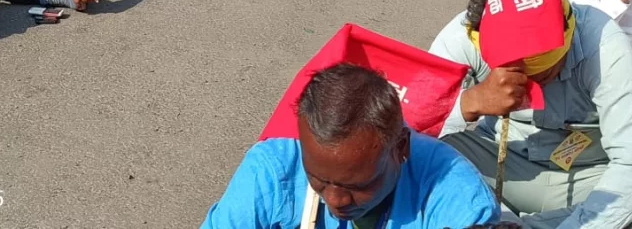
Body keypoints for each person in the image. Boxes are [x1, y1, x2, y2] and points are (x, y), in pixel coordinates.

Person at [430, 0, 632, 229]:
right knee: (428, 160)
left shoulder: (602, 42)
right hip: (501, 161)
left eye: (537, 68)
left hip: (589, 176)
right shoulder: (466, 33)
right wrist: (469, 103)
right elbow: (412, 129)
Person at [201, 63, 500, 229]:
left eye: (359, 184)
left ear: (401, 148)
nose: (336, 200)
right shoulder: (271, 172)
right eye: (318, 179)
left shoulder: (458, 198)